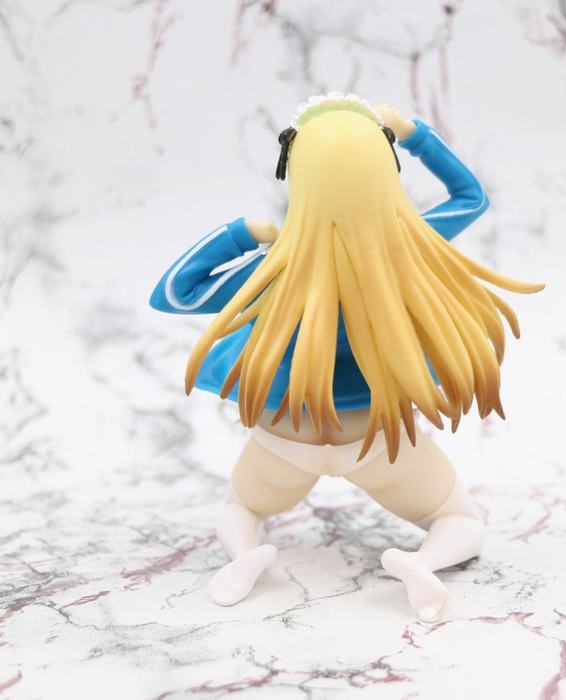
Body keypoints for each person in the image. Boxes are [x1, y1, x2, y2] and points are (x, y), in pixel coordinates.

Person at [150, 94, 543, 620]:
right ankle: (421, 565)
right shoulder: (415, 246)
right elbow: (470, 197)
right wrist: (414, 134)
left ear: (292, 171)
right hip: (380, 439)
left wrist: (243, 234)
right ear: (387, 167)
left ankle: (245, 557)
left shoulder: (270, 270)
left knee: (241, 507)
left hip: (285, 437)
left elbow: (174, 294)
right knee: (461, 521)